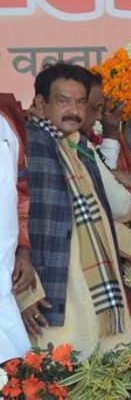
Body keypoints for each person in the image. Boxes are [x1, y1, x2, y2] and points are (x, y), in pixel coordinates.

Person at [19, 63, 131, 358]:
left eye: (80, 102)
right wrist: (22, 292)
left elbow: (122, 207)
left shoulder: (79, 147)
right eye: (63, 101)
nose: (74, 110)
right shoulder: (26, 144)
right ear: (42, 104)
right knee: (56, 379)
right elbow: (8, 220)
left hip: (93, 296)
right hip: (51, 293)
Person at [0, 94, 32, 363]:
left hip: (3, 279)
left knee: (16, 372)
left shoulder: (7, 119)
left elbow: (21, 192)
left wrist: (24, 248)